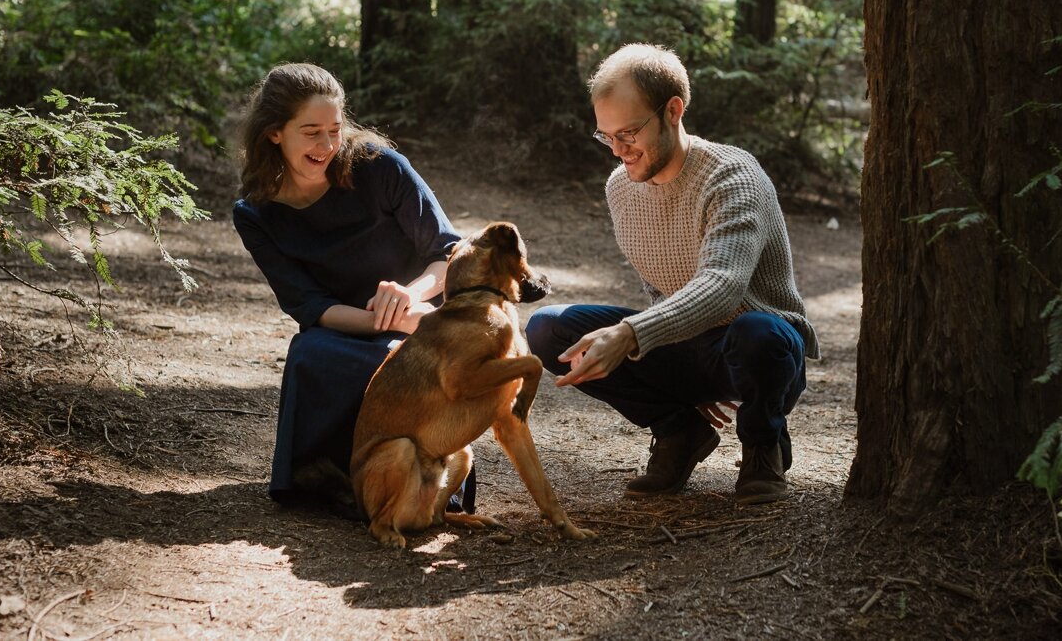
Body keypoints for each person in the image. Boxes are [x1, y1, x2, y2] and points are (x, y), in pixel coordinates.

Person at [527, 43, 816, 506]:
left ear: (674, 110)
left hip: (762, 345)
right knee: (548, 328)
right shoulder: (622, 188)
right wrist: (676, 370)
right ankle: (680, 432)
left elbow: (723, 286)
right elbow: (660, 287)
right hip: (690, 342)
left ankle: (764, 443)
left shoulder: (732, 176)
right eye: (606, 137)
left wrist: (631, 334)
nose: (618, 151)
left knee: (757, 332)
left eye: (628, 133)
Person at [232, 63, 470, 516]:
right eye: (312, 132)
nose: (327, 145)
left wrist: (411, 296)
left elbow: (449, 251)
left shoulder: (380, 168)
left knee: (398, 357)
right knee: (311, 353)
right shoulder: (255, 213)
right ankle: (324, 484)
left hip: (419, 314)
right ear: (274, 134)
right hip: (343, 325)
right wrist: (379, 320)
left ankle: (419, 491)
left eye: (335, 130)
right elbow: (308, 304)